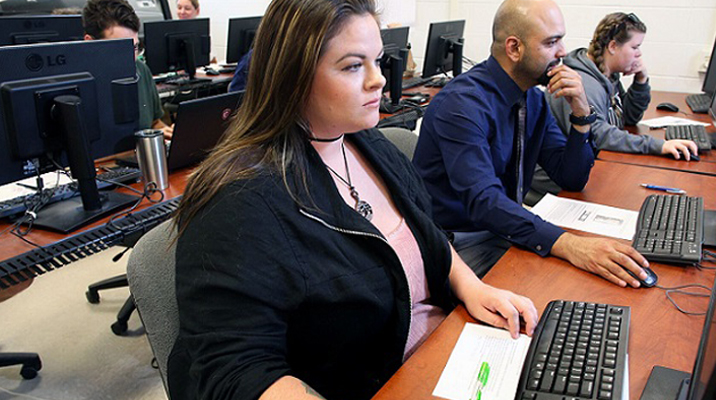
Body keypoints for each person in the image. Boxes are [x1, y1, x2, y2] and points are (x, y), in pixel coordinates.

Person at [169, 0, 538, 399]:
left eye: (377, 61)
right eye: (352, 66)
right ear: (292, 77)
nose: (377, 80)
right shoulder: (238, 201)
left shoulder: (369, 145)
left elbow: (428, 234)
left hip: (447, 355)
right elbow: (236, 370)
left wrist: (473, 288)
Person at [413, 0, 650, 286]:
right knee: (561, 287)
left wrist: (581, 113)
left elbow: (570, 177)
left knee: (584, 277)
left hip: (503, 228)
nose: (563, 52)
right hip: (458, 245)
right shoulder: (462, 105)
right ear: (514, 48)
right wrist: (569, 245)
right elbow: (484, 202)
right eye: (552, 42)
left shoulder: (533, 99)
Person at [545, 12, 698, 160]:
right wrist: (657, 146)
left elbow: (629, 117)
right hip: (559, 180)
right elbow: (598, 135)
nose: (639, 54)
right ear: (612, 46)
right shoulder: (584, 83)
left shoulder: (608, 75)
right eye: (635, 47)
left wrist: (641, 80)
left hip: (586, 163)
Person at [82, 0, 174, 138]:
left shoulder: (141, 70)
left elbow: (154, 123)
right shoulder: (78, 86)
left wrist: (165, 132)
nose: (131, 58)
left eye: (135, 47)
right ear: (90, 43)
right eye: (120, 49)